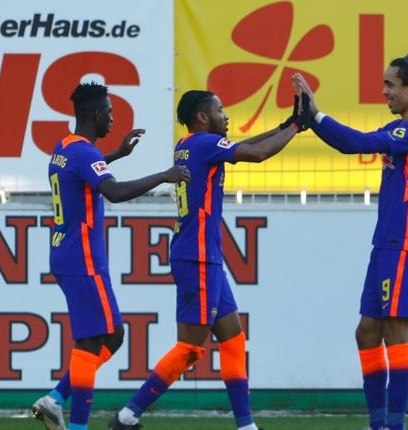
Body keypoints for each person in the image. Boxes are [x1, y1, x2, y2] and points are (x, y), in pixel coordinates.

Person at [108, 90, 312, 430]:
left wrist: (289, 125)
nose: (226, 115)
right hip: (198, 257)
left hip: (202, 255)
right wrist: (296, 128)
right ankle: (127, 416)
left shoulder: (189, 144)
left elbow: (246, 145)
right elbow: (258, 154)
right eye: (220, 109)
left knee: (233, 337)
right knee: (189, 348)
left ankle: (246, 425)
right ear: (203, 117)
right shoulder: (203, 145)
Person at [293, 54, 408, 430]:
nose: (384, 92)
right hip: (387, 245)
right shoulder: (401, 129)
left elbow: (356, 144)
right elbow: (351, 143)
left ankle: (393, 426)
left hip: (407, 244)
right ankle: (378, 424)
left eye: (390, 84)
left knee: (396, 333)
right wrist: (310, 120)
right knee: (366, 332)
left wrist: (316, 115)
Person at [32, 81, 191, 430]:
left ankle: (56, 398)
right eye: (109, 112)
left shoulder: (66, 148)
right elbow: (115, 192)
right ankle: (75, 425)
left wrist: (116, 154)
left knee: (114, 335)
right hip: (82, 258)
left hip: (68, 254)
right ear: (94, 114)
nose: (112, 119)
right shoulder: (84, 153)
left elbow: (84, 174)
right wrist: (164, 176)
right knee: (91, 341)